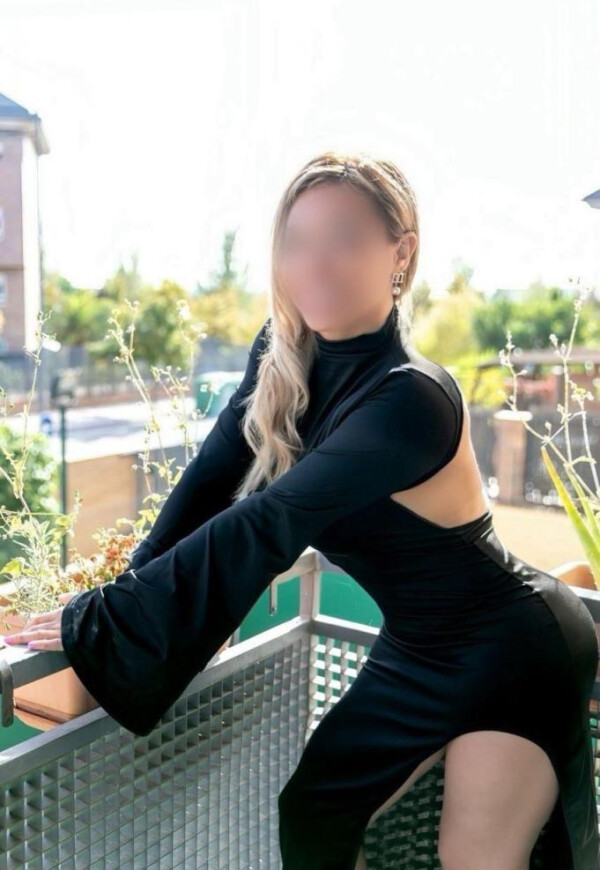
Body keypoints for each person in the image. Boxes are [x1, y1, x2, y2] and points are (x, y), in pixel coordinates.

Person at [4, 151, 599, 870]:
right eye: (297, 240)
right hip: (416, 646)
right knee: (313, 816)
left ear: (400, 253)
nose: (314, 263)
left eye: (343, 238)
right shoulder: (281, 351)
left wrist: (107, 619)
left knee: (473, 857)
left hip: (510, 647)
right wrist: (120, 592)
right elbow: (211, 481)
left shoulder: (412, 397)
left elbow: (272, 520)